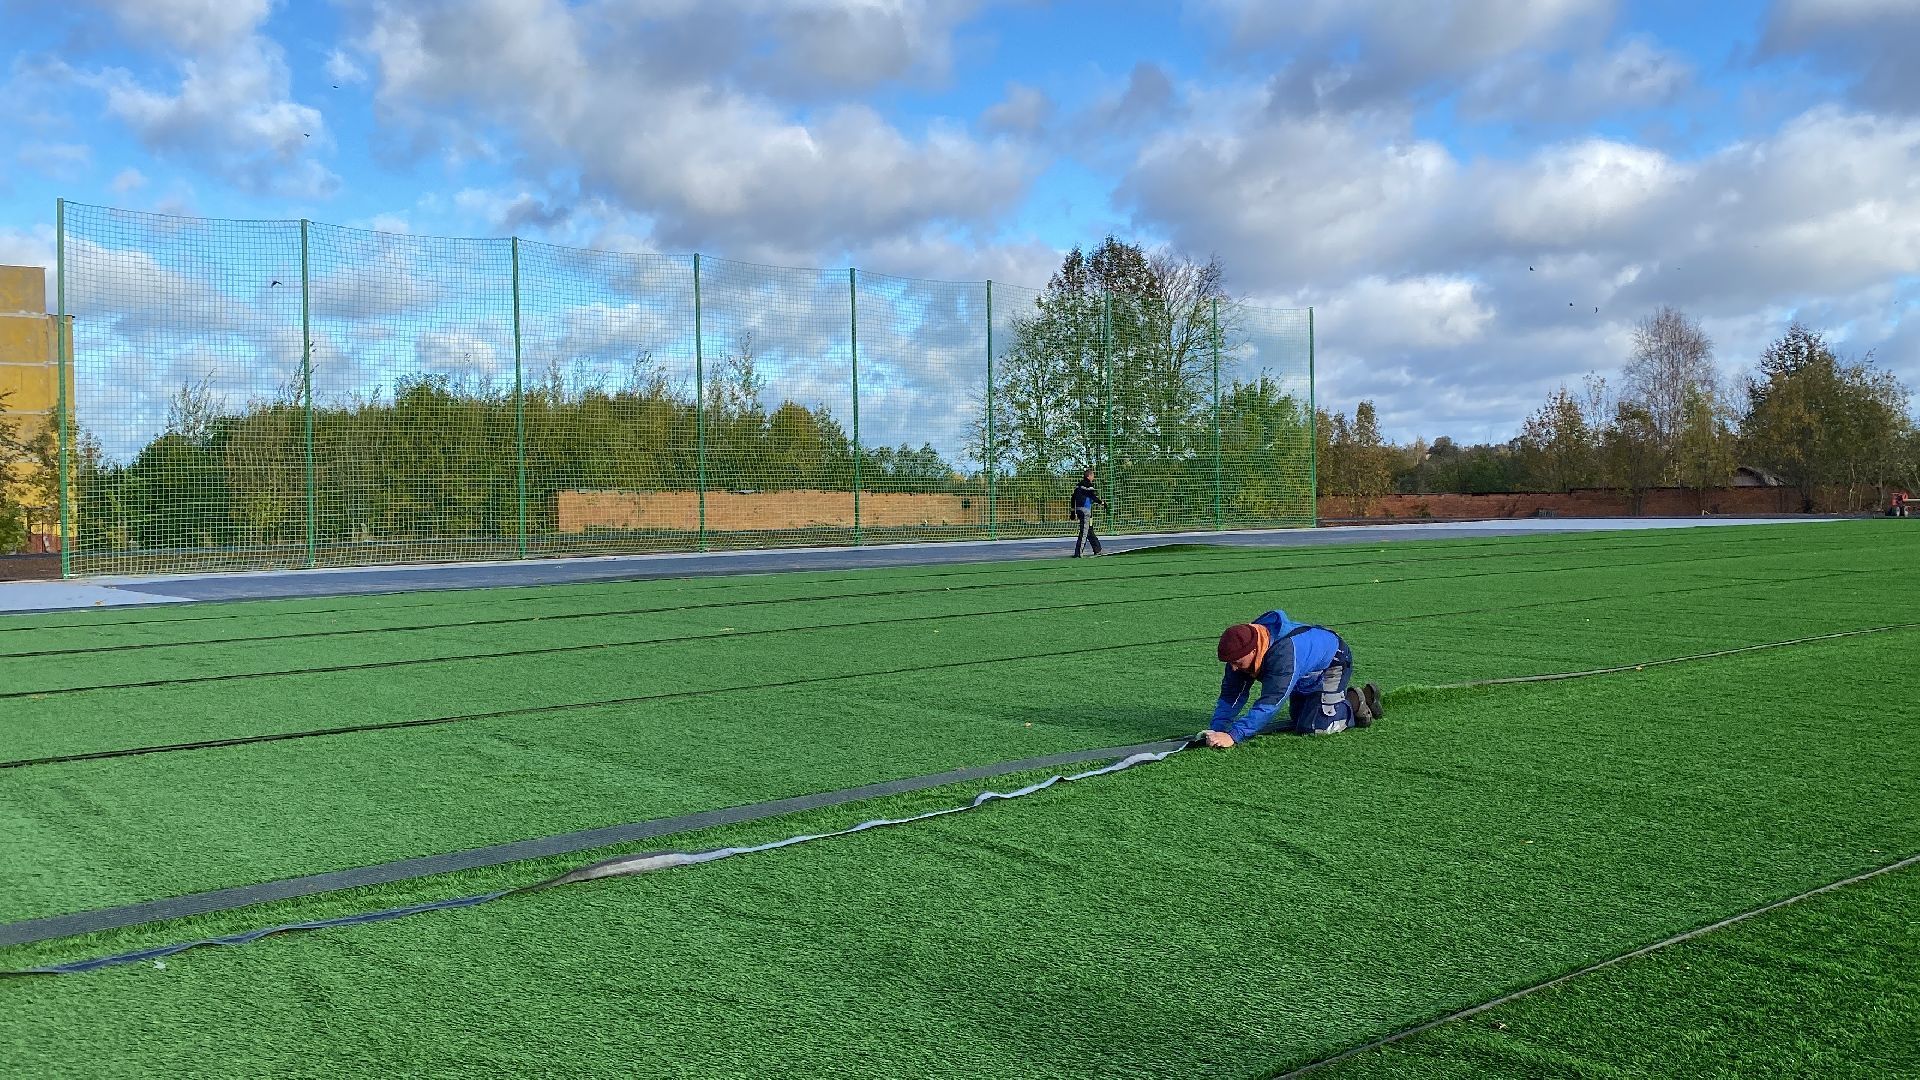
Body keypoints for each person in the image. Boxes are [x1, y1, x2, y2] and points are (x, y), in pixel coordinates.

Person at [1203, 610, 1382, 747]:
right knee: (1298, 721)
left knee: (1316, 727)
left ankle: (1355, 701)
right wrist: (1218, 728)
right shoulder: (1239, 653)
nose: (1233, 667)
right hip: (1303, 671)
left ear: (1254, 651)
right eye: (1229, 663)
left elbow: (1271, 701)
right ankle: (1326, 700)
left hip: (1333, 661)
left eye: (1236, 662)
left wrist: (1234, 735)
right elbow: (1231, 695)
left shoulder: (1282, 655)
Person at [1070, 468, 1105, 557]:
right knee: (1084, 532)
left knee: (1089, 530)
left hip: (1079, 510)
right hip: (1086, 511)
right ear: (1089, 476)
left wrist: (1073, 511)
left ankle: (1097, 550)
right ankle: (1078, 553)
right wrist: (1102, 503)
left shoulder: (1078, 486)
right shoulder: (1088, 486)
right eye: (1093, 476)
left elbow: (1073, 498)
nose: (1093, 477)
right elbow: (1092, 496)